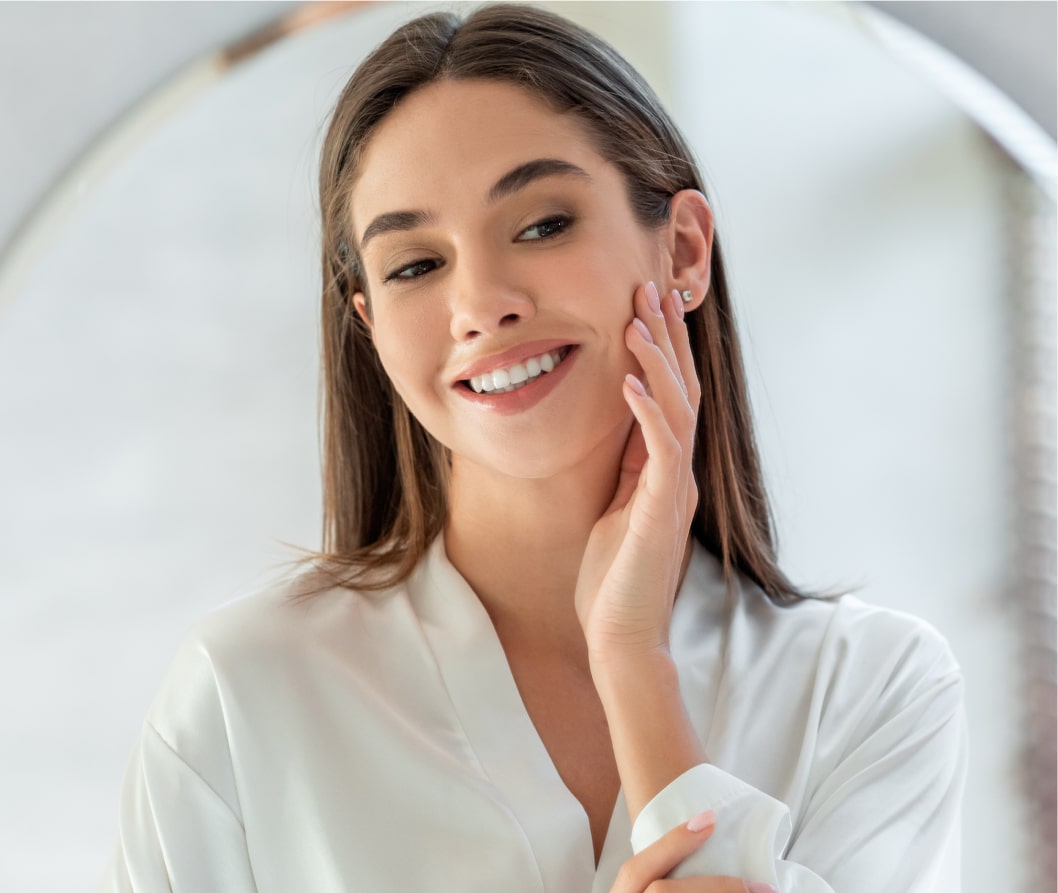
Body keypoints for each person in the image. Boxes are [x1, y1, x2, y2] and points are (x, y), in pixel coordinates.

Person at [100, 5, 966, 891]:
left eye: (543, 224)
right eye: (414, 265)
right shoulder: (243, 697)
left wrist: (632, 660)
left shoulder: (871, 693)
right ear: (372, 326)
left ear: (682, 249)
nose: (482, 304)